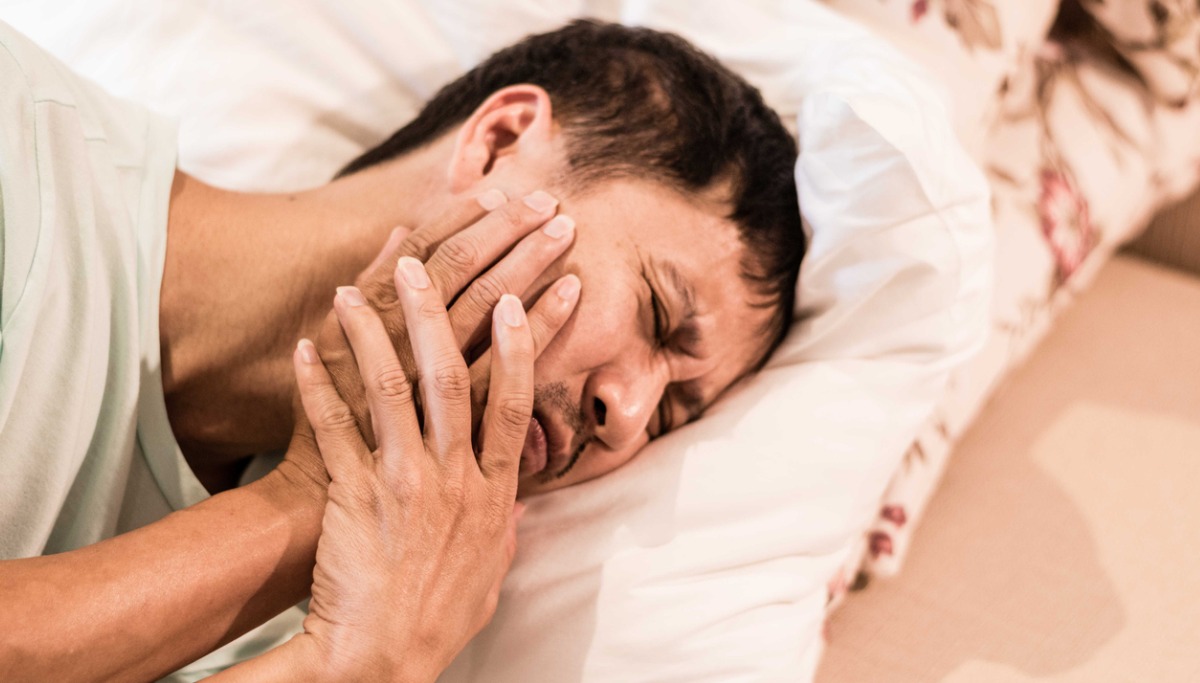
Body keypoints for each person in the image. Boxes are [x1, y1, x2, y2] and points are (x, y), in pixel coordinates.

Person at [0, 17, 804, 681]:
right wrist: (304, 503)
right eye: (658, 312)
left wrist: (355, 666)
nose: (625, 416)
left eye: (668, 413)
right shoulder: (21, 152)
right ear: (499, 143)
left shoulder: (374, 611)